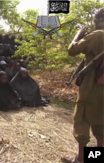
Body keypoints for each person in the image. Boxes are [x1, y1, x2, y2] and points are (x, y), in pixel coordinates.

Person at [61, 8, 104, 163]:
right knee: (101, 124)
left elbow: (72, 50)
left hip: (91, 88)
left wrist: (78, 35)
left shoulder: (98, 35)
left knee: (82, 121)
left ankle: (80, 159)